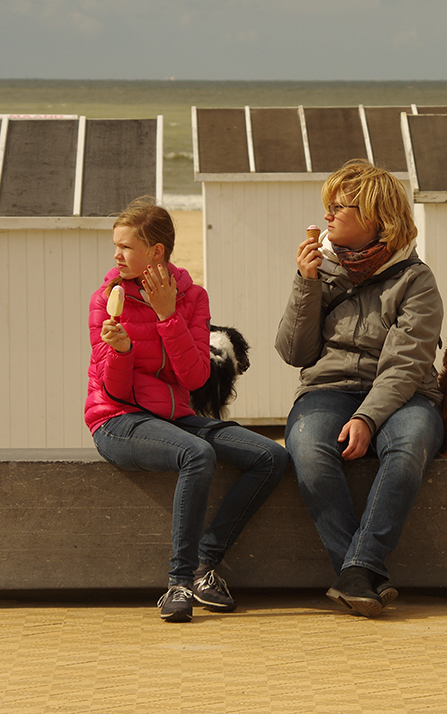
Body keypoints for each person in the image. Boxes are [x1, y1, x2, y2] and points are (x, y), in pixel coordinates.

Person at [85, 196, 288, 623]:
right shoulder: (106, 298)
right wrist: (120, 350)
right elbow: (113, 389)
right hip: (118, 420)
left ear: (155, 252)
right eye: (116, 247)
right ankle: (178, 582)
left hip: (176, 416)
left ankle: (204, 564)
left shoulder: (192, 298)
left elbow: (196, 378)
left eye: (126, 247)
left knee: (272, 457)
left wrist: (166, 316)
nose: (116, 255)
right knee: (197, 454)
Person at [276, 160, 444, 618]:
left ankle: (358, 568)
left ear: (374, 217)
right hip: (327, 389)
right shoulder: (323, 269)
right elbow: (294, 351)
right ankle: (362, 572)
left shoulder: (416, 280)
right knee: (307, 448)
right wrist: (305, 284)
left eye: (339, 207)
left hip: (405, 394)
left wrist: (367, 418)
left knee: (409, 446)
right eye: (326, 206)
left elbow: (405, 364)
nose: (327, 215)